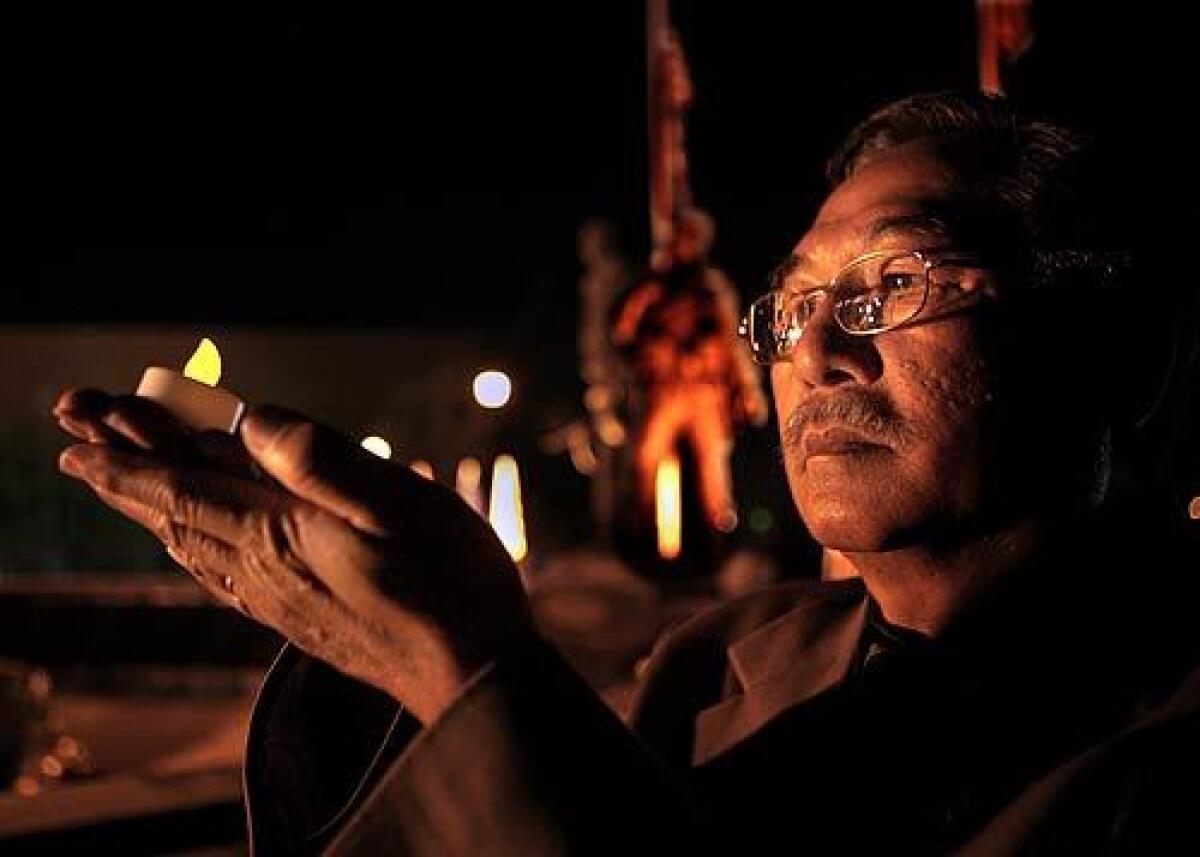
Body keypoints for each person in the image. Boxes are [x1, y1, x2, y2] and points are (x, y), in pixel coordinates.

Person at [52, 92, 1198, 854]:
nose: (813, 350)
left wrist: (464, 667)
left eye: (893, 283)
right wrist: (380, 656)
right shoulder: (724, 663)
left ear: (1116, 349)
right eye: (792, 305)